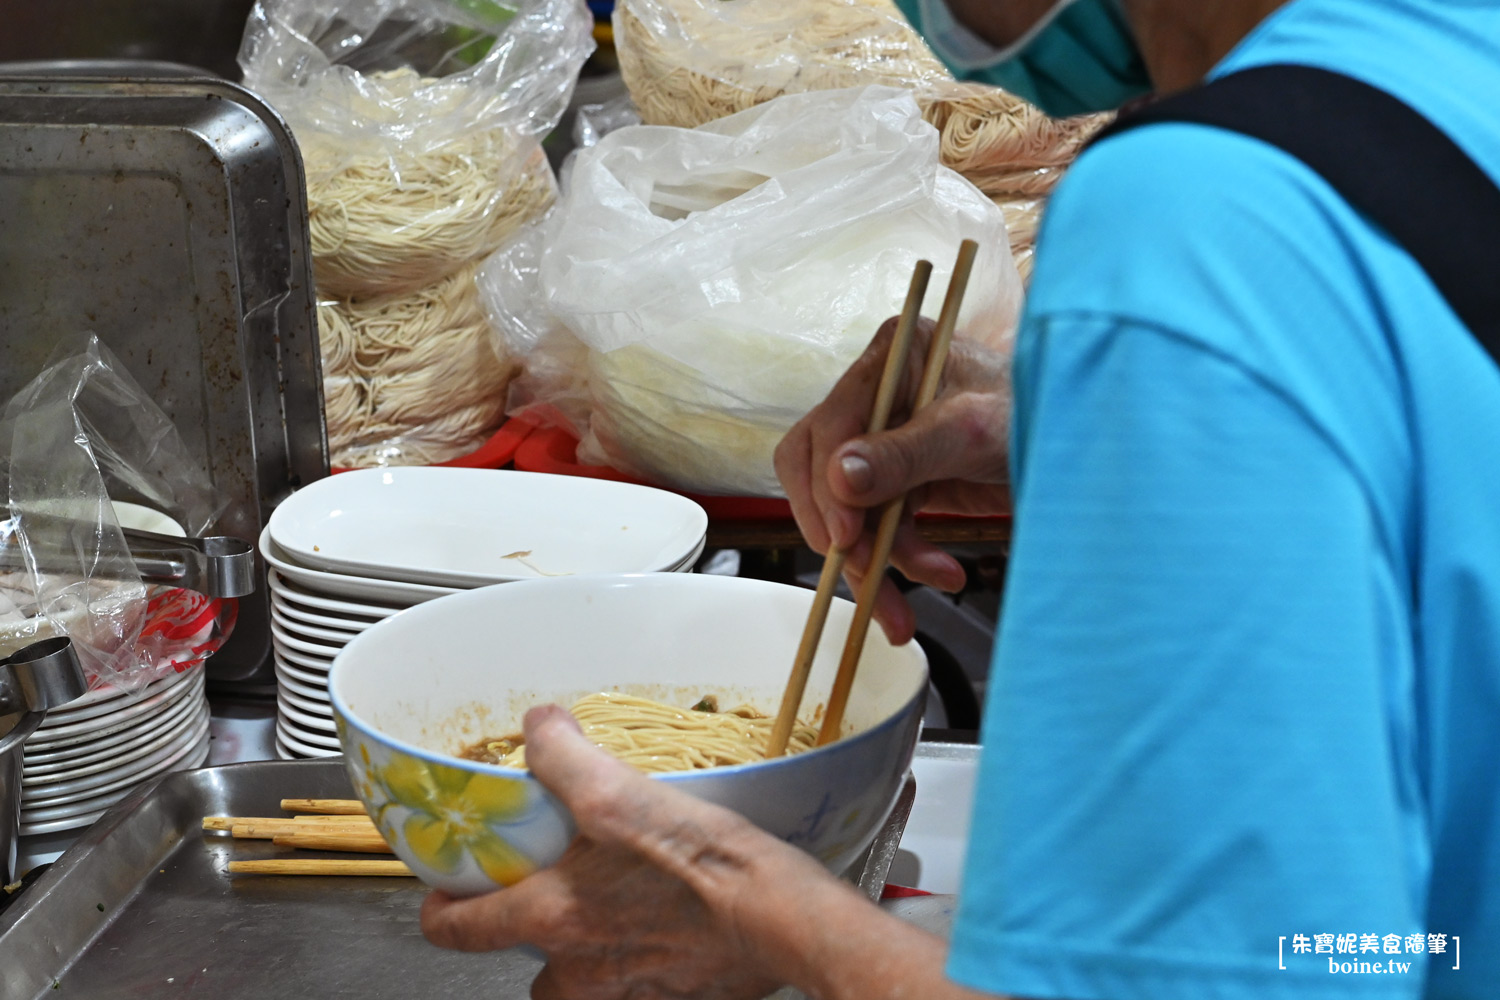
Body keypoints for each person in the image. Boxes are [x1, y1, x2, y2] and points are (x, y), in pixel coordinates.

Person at [421, 0, 1500, 997]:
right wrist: (1076, 422)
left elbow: (1252, 977)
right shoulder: (1452, 64)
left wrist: (755, 911)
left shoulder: (1203, 216)